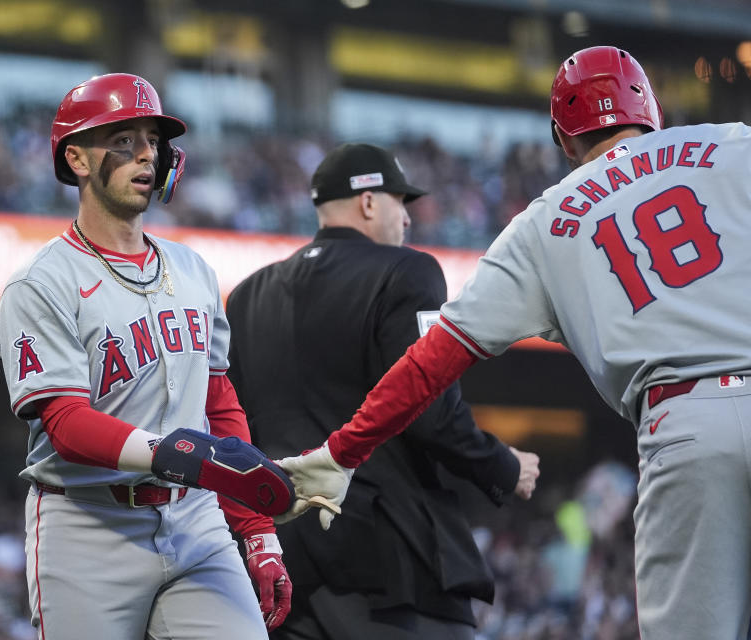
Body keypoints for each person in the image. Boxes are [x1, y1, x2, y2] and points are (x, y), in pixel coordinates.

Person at [274, 46, 751, 640]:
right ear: (648, 109)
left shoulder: (544, 223)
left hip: (686, 429)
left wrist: (342, 450)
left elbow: (429, 366)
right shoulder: (734, 143)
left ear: (564, 141)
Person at [0, 73, 294, 640]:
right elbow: (64, 423)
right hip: (88, 525)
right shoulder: (40, 282)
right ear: (77, 160)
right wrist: (172, 452)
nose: (146, 155)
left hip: (194, 517)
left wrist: (256, 531)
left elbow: (218, 402)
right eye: (124, 139)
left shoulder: (193, 270)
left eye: (152, 141)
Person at [226, 143, 541, 639]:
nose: (409, 220)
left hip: (287, 564)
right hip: (387, 558)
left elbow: (234, 428)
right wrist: (503, 465)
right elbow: (429, 407)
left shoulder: (246, 295)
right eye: (401, 203)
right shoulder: (406, 271)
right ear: (369, 201)